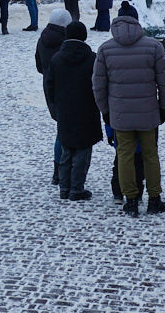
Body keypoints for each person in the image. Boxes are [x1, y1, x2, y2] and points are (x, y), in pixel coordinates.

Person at [92, 1, 165, 217]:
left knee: (124, 156)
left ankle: (130, 200)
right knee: (150, 155)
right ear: (138, 21)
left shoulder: (106, 49)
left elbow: (98, 84)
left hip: (120, 114)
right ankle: (154, 198)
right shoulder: (153, 46)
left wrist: (105, 111)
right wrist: (163, 106)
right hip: (148, 113)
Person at [44, 21, 102, 201]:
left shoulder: (56, 59)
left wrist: (55, 106)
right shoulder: (92, 59)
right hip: (87, 109)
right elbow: (98, 85)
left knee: (66, 149)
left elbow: (49, 86)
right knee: (83, 150)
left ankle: (64, 187)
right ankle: (76, 188)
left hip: (65, 109)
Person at [35, 8, 72, 184]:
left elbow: (38, 66)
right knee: (66, 131)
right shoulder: (66, 41)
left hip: (49, 88)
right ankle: (64, 169)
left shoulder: (42, 39)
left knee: (61, 128)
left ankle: (58, 169)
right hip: (67, 88)